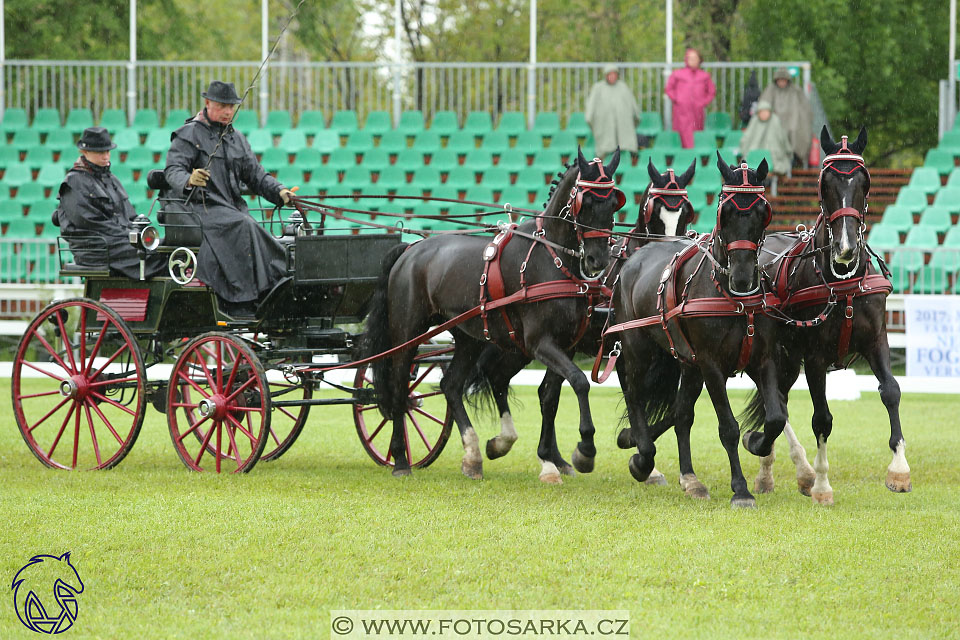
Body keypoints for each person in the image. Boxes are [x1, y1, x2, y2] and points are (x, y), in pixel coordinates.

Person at [164, 80, 297, 317]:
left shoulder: (237, 139)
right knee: (244, 224)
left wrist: (279, 192)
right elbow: (172, 171)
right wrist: (189, 179)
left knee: (249, 223)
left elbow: (256, 175)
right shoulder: (188, 134)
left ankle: (275, 282)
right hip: (199, 209)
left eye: (231, 106)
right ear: (207, 103)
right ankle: (244, 296)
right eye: (222, 106)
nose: (227, 111)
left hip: (231, 209)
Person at [54, 127, 168, 279]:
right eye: (100, 152)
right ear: (84, 152)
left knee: (164, 248)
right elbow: (90, 223)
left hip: (117, 240)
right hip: (95, 247)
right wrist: (128, 234)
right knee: (154, 253)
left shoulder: (112, 179)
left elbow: (129, 215)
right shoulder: (74, 182)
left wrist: (137, 231)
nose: (106, 156)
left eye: (107, 151)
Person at [759, 67, 813, 167]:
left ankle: (793, 158)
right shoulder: (771, 90)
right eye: (780, 80)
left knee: (798, 133)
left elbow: (804, 109)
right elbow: (764, 104)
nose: (782, 83)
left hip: (793, 122)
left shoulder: (795, 90)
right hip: (774, 123)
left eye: (783, 80)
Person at [585, 64, 640, 159]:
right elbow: (590, 111)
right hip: (604, 128)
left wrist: (633, 121)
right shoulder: (598, 88)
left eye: (614, 74)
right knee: (604, 154)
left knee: (624, 153)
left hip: (623, 129)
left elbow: (634, 109)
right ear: (605, 75)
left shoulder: (623, 87)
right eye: (610, 74)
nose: (612, 77)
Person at [665, 48, 716, 148]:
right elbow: (669, 89)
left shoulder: (704, 76)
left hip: (697, 112)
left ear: (699, 60)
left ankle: (695, 157)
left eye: (695, 58)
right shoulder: (678, 74)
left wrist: (703, 102)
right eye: (690, 58)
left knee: (696, 134)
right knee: (680, 134)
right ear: (686, 60)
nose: (692, 60)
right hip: (681, 111)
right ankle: (681, 158)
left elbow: (711, 92)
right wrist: (678, 99)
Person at [737, 100, 793, 176]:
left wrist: (787, 151)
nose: (764, 114)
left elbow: (782, 138)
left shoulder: (775, 121)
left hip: (773, 157)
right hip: (754, 156)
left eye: (766, 111)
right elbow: (747, 138)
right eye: (762, 112)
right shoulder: (754, 121)